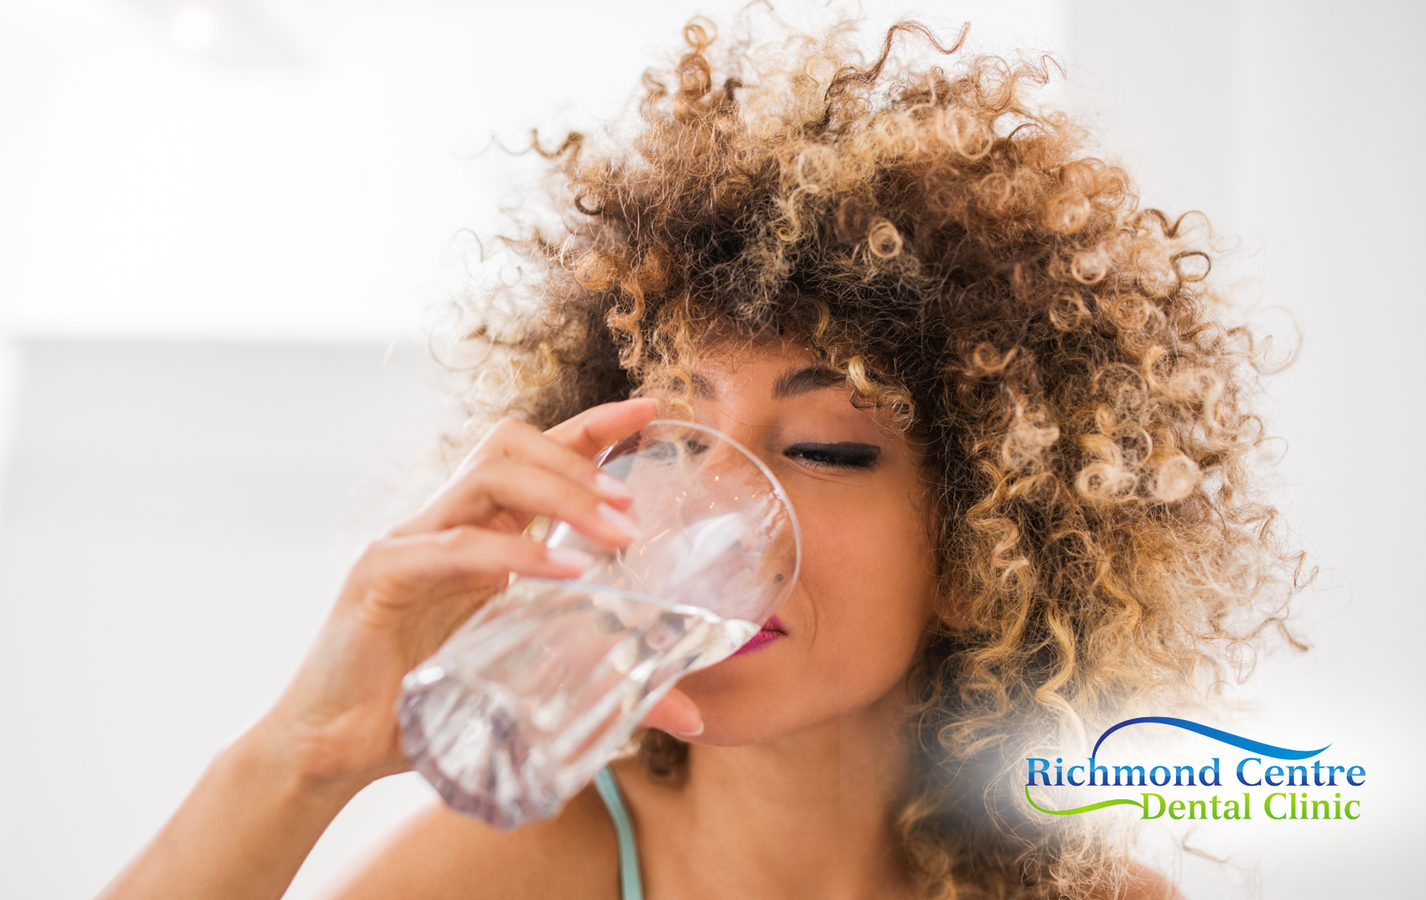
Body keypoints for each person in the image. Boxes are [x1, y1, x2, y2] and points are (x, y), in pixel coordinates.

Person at [97, 14, 1301, 900]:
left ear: (987, 544)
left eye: (826, 449)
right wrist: (297, 761)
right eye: (669, 437)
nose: (711, 518)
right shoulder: (510, 873)